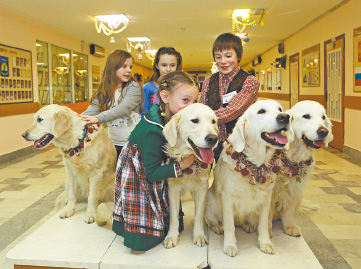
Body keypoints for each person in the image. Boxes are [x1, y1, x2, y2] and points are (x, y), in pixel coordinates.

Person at [112, 71, 199, 251]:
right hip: (140, 174)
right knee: (145, 222)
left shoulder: (167, 115)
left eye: (194, 101)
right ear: (165, 96)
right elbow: (151, 174)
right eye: (185, 100)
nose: (191, 107)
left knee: (162, 195)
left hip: (152, 165)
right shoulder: (153, 130)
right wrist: (182, 165)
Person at [200, 32, 260, 161]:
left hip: (240, 142)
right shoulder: (208, 82)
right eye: (218, 57)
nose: (223, 61)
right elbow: (202, 108)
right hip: (212, 141)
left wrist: (201, 118)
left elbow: (231, 112)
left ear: (239, 55)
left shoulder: (249, 81)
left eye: (228, 56)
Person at [80, 50, 142, 159]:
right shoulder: (103, 91)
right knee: (114, 175)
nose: (129, 70)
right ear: (112, 67)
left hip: (134, 143)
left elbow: (124, 108)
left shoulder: (133, 87)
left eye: (130, 67)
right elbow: (90, 111)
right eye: (124, 66)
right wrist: (73, 120)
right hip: (113, 143)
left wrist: (97, 118)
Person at [142, 47, 182, 115]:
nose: (168, 69)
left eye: (172, 65)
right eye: (164, 65)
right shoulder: (147, 87)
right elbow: (144, 113)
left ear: (177, 66)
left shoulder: (181, 87)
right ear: (157, 65)